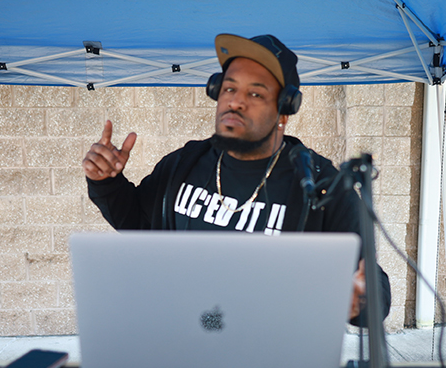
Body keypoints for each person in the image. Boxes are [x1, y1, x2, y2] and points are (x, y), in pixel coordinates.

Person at [82, 33, 390, 322]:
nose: (236, 101)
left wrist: (360, 300)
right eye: (229, 89)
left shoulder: (319, 184)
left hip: (271, 354)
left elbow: (371, 283)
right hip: (181, 342)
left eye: (255, 93)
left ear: (284, 110)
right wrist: (106, 182)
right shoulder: (184, 163)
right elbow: (137, 223)